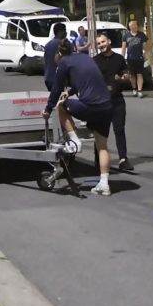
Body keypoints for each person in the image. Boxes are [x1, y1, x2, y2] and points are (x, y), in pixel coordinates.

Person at [44, 38, 114, 196]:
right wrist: (69, 92)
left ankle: (75, 141)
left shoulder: (64, 62)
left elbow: (55, 89)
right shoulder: (85, 58)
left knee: (61, 106)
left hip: (90, 106)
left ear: (59, 54)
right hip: (107, 106)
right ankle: (104, 184)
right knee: (102, 146)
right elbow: (85, 81)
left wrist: (47, 109)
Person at [93, 31, 133, 171]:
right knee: (100, 132)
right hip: (101, 102)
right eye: (99, 43)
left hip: (117, 100)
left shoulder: (119, 59)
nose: (101, 45)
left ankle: (123, 159)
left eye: (103, 42)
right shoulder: (95, 61)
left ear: (109, 41)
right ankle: (99, 160)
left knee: (119, 129)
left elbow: (126, 76)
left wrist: (122, 79)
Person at [122, 19, 149, 97]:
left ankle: (140, 90)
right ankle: (134, 89)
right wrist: (122, 57)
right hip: (130, 58)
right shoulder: (126, 36)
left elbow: (146, 46)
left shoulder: (141, 35)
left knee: (139, 74)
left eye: (136, 25)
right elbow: (123, 47)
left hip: (139, 58)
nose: (135, 26)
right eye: (133, 25)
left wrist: (146, 54)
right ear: (130, 27)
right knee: (132, 75)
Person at [43, 22, 68, 92]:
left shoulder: (48, 44)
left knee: (53, 97)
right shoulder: (62, 44)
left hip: (48, 78)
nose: (66, 33)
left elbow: (45, 61)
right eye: (65, 30)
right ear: (60, 32)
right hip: (57, 79)